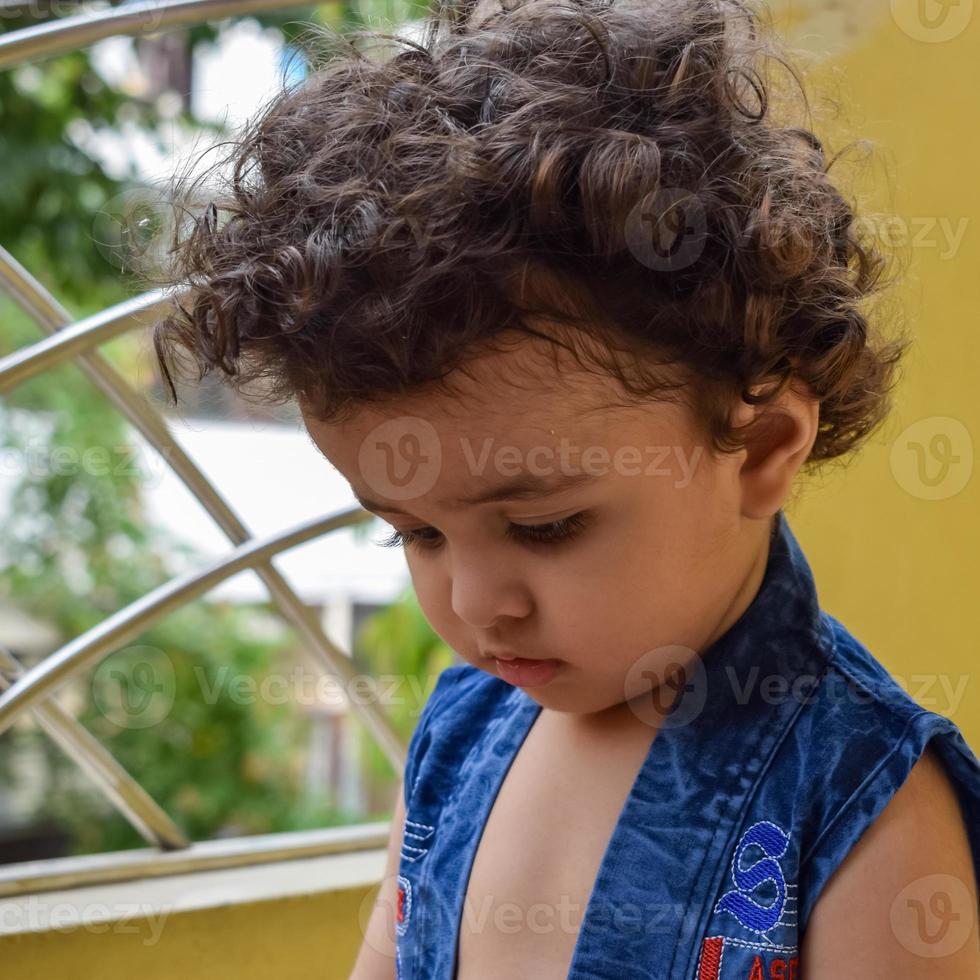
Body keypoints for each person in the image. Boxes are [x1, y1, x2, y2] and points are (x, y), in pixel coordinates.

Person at [147, 0, 980, 975]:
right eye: (412, 533)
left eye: (544, 526)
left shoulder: (859, 803)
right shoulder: (457, 736)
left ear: (757, 447)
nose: (471, 601)